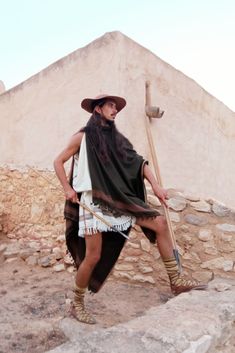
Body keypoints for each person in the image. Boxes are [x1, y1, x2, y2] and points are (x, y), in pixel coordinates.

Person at [54, 94, 207, 325]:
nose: (115, 110)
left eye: (116, 107)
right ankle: (77, 303)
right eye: (111, 106)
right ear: (98, 110)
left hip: (119, 198)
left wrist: (156, 186)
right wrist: (67, 188)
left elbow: (137, 162)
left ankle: (176, 280)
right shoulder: (82, 137)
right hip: (95, 199)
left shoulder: (117, 140)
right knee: (93, 256)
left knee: (160, 224)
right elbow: (58, 162)